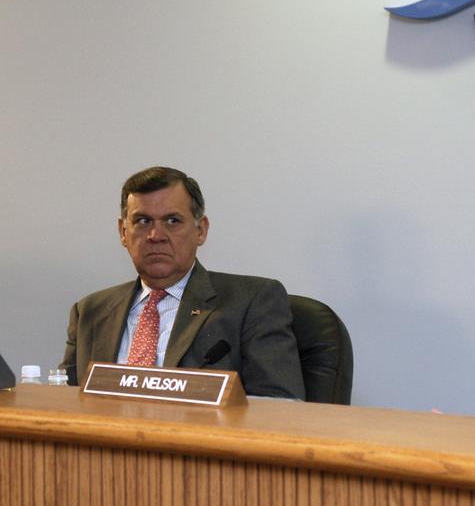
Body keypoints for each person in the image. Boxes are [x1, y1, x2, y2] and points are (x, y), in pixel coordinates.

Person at [62, 166, 304, 399]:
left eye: (172, 221)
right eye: (143, 221)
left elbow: (279, 405)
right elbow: (64, 403)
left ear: (201, 230)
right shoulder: (90, 312)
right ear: (123, 232)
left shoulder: (252, 301)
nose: (156, 236)